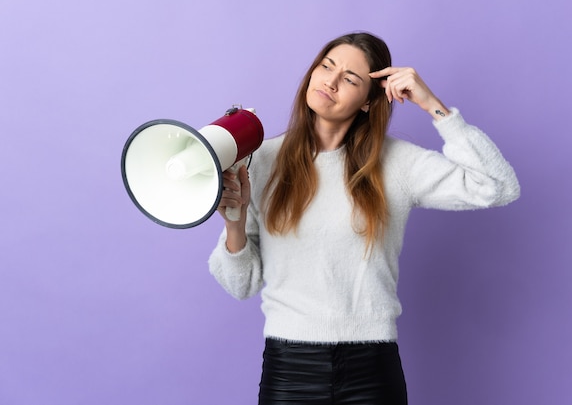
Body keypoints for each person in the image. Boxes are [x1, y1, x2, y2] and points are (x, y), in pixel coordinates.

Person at [208, 32, 520, 405]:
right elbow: (240, 285)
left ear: (370, 102)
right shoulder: (260, 161)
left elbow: (499, 186)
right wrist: (234, 223)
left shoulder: (397, 164)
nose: (331, 81)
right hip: (289, 368)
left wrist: (433, 106)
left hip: (371, 369)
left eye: (351, 79)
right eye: (326, 67)